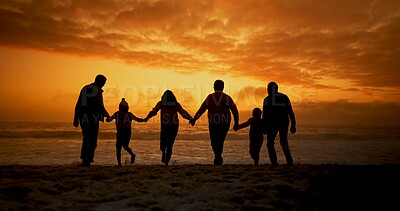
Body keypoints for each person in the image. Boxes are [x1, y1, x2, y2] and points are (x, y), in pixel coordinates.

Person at [190, 80, 239, 165]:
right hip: (225, 122)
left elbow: (202, 109)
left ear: (214, 87)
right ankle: (218, 157)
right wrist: (236, 122)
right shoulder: (227, 97)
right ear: (223, 87)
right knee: (220, 141)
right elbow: (235, 110)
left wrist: (195, 119)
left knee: (214, 142)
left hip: (213, 123)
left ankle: (218, 157)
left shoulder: (210, 97)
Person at [145, 90, 193, 165]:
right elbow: (183, 113)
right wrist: (191, 119)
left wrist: (147, 118)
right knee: (170, 145)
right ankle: (166, 163)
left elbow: (154, 112)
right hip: (174, 126)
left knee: (162, 144)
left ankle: (163, 153)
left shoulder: (161, 103)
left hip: (165, 126)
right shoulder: (176, 104)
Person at [73, 74, 109, 167]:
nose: (104, 85)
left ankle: (84, 159)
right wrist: (106, 114)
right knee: (92, 140)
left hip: (83, 117)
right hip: (92, 118)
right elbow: (99, 105)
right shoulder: (96, 91)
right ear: (100, 81)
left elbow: (78, 104)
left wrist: (75, 118)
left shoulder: (85, 88)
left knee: (86, 138)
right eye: (103, 83)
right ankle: (87, 160)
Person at [263, 82, 296, 165]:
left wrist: (264, 126)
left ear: (270, 89)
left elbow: (265, 115)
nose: (267, 90)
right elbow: (290, 112)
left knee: (270, 143)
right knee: (283, 141)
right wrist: (293, 124)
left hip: (273, 123)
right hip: (283, 122)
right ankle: (289, 161)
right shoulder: (284, 97)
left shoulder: (267, 99)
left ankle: (274, 161)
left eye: (268, 89)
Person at [107, 98, 147, 166]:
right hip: (127, 133)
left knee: (119, 148)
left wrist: (106, 117)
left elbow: (108, 120)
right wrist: (145, 119)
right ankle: (132, 154)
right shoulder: (129, 114)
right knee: (125, 146)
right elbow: (138, 119)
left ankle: (119, 163)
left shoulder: (117, 113)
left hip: (120, 132)